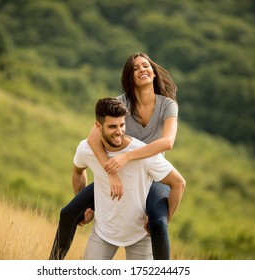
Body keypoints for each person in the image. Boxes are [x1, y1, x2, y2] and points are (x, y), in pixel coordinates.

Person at [49, 52, 181, 260]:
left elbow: (167, 143)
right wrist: (110, 171)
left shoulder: (167, 105)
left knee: (157, 224)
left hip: (153, 175)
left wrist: (127, 157)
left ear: (154, 72)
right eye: (136, 68)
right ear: (130, 77)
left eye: (145, 66)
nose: (142, 70)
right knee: (68, 213)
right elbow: (93, 138)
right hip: (119, 172)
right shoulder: (121, 103)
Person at [73, 97, 185, 259]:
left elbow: (179, 183)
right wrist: (82, 206)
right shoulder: (86, 149)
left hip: (140, 236)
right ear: (98, 126)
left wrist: (163, 218)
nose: (119, 131)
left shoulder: (144, 153)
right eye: (112, 126)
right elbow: (77, 171)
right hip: (103, 233)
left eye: (122, 125)